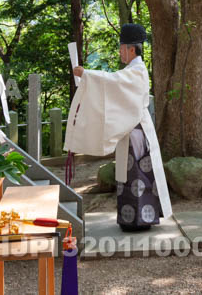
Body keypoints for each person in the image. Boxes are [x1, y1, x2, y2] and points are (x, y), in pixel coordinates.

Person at [63, 23, 172, 229]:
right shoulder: (132, 70)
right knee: (129, 175)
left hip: (137, 131)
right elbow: (114, 84)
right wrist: (87, 76)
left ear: (131, 49)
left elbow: (113, 82)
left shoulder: (137, 71)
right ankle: (132, 218)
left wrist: (87, 74)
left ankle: (140, 219)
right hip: (131, 129)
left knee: (137, 174)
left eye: (122, 48)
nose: (120, 52)